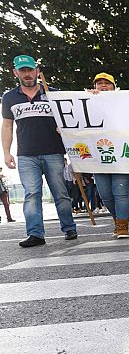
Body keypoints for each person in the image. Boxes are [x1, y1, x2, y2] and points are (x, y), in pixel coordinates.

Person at [2, 54, 77, 247]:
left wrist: (64, 130)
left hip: (53, 151)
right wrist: (6, 152)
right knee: (31, 194)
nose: (27, 74)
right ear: (16, 72)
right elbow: (7, 126)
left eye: (30, 70)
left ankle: (69, 228)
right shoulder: (9, 97)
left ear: (37, 71)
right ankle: (35, 233)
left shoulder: (53, 93)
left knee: (60, 192)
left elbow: (68, 121)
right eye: (22, 70)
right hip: (26, 154)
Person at [89, 72, 129, 238]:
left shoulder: (123, 102)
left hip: (120, 155)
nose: (103, 86)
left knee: (120, 192)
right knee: (105, 194)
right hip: (99, 157)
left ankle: (123, 225)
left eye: (107, 83)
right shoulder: (87, 103)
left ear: (114, 87)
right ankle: (117, 220)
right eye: (99, 83)